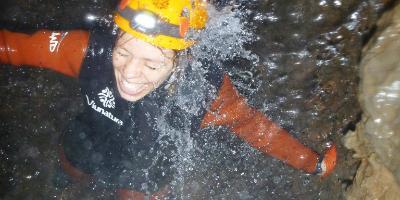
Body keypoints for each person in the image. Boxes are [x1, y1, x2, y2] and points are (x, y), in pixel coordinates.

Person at [0, 0, 337, 199]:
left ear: (182, 59)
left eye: (152, 63)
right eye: (124, 53)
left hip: (146, 174)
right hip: (88, 142)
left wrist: (312, 163)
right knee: (72, 166)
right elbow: (14, 47)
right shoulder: (88, 50)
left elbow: (256, 129)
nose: (130, 74)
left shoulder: (204, 92)